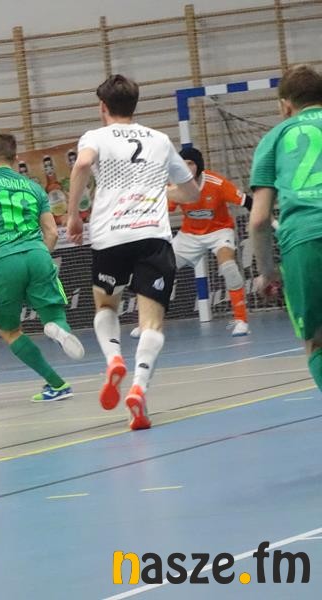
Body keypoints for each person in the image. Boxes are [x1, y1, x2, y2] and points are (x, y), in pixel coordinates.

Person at [66, 74, 200, 430]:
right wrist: (160, 191)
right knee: (151, 323)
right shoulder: (159, 140)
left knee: (106, 306)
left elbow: (82, 164)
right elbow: (192, 193)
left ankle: (113, 359)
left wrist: (73, 214)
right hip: (153, 236)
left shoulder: (95, 137)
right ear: (134, 105)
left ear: (103, 107)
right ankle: (139, 389)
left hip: (111, 236)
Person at [0, 132, 85, 402]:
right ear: (15, 157)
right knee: (53, 315)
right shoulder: (34, 187)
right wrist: (39, 256)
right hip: (38, 253)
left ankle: (56, 384)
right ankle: (59, 330)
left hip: (4, 259)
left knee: (9, 330)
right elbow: (52, 232)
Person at [250, 64, 322, 392]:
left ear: (285, 105)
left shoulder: (275, 138)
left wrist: (268, 272)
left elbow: (259, 219)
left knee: (317, 342)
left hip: (304, 240)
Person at [132, 147, 254, 338]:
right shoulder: (177, 185)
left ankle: (241, 321)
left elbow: (248, 202)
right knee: (156, 270)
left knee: (229, 268)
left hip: (219, 231)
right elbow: (163, 208)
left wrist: (270, 223)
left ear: (199, 165)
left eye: (191, 163)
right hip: (189, 236)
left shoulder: (217, 182)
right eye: (183, 163)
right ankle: (147, 322)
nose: (187, 167)